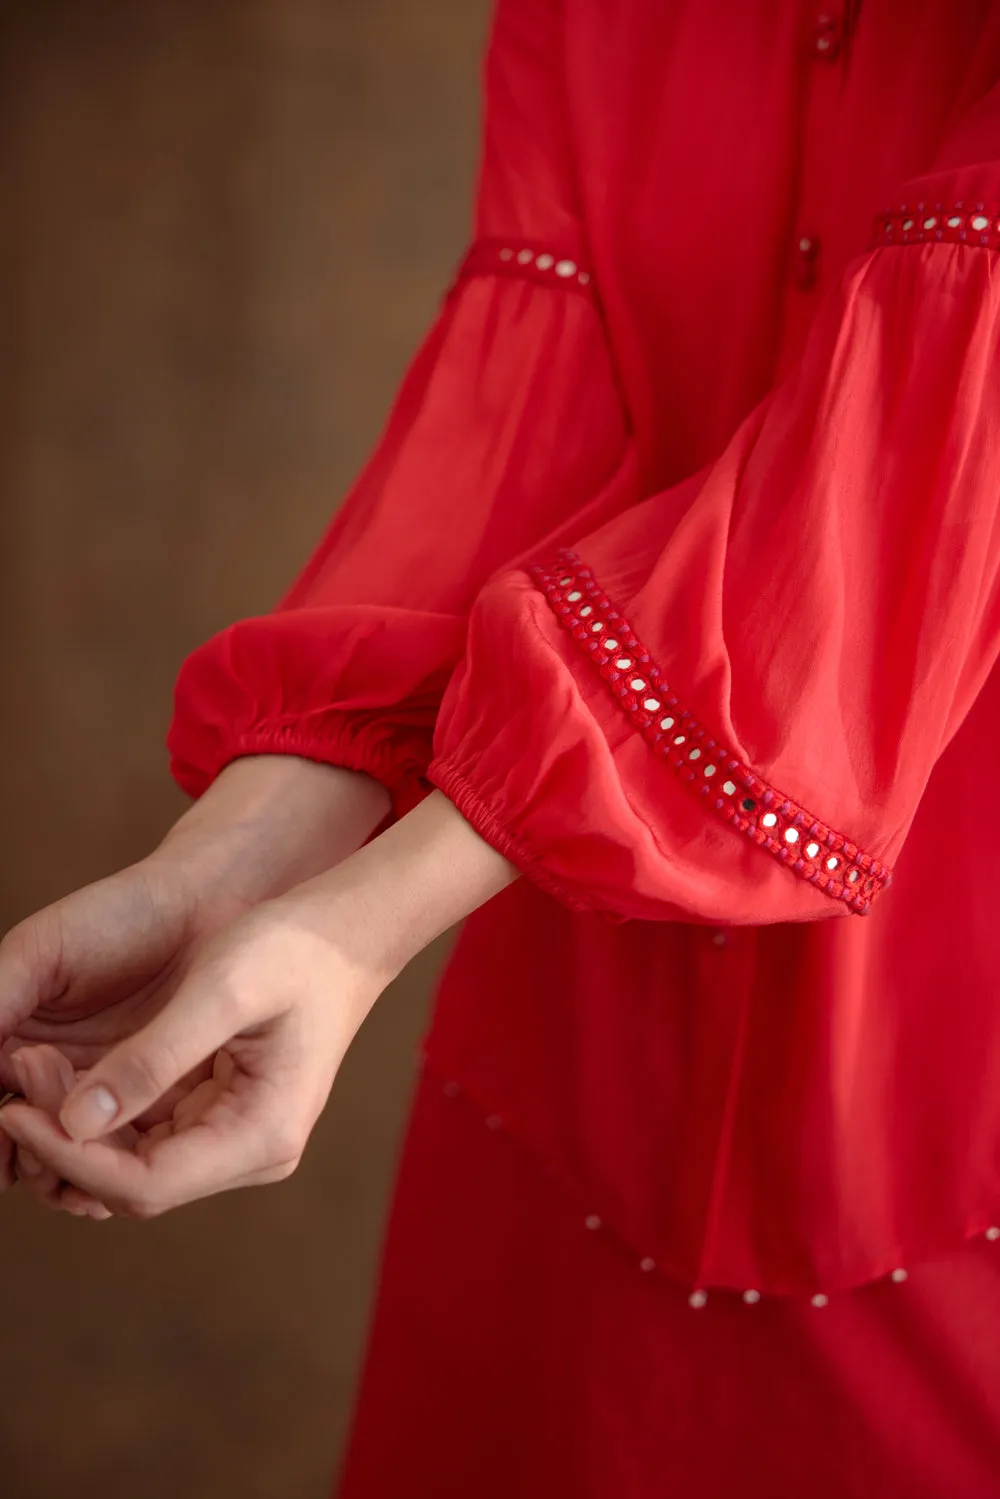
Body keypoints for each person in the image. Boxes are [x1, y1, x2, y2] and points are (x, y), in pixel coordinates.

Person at [4, 0, 1000, 1492]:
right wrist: (242, 860)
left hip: (945, 1077)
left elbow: (934, 434)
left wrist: (354, 920)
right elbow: (548, 376)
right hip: (565, 1012)